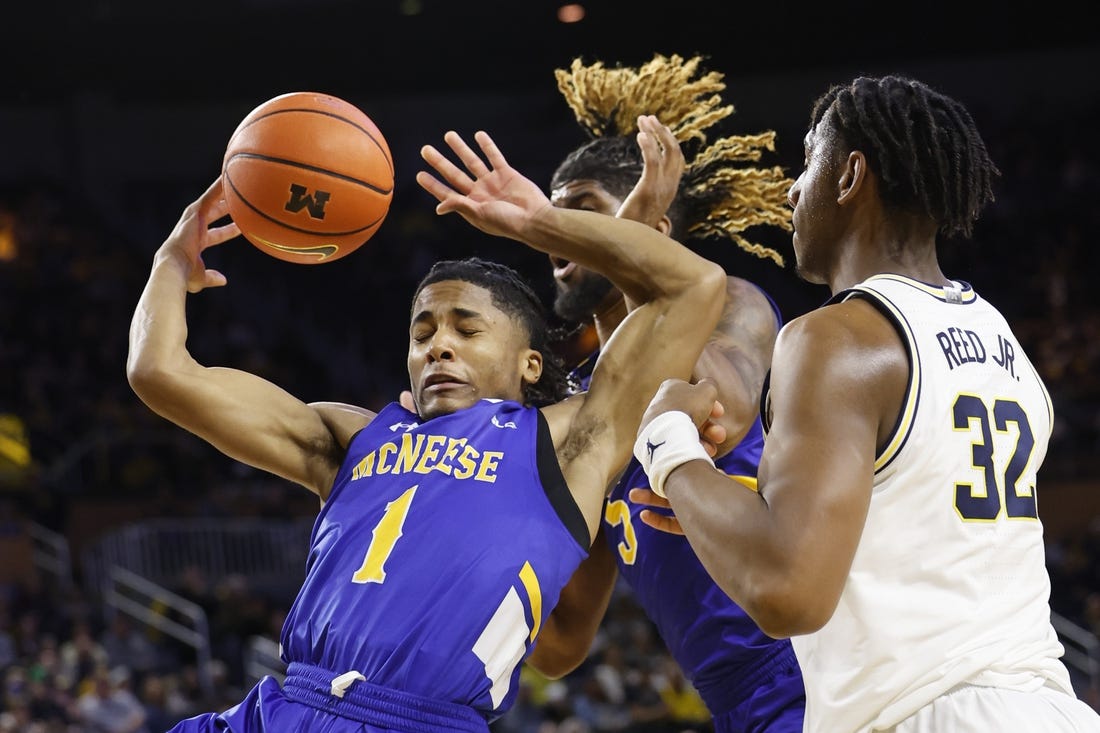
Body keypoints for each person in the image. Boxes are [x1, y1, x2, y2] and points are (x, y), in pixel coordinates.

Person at [125, 123, 726, 731]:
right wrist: (170, 262)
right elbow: (161, 373)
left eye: (467, 331)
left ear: (530, 365)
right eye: (422, 334)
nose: (438, 347)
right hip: (282, 708)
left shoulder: (568, 442)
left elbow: (694, 287)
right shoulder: (351, 440)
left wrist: (532, 223)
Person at [628, 74, 1100, 732]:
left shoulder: (836, 336)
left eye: (806, 162)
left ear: (850, 175)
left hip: (929, 712)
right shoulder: (1001, 339)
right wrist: (720, 502)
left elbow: (786, 591)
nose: (792, 188)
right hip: (1047, 706)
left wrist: (667, 446)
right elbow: (900, 513)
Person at [525, 53, 806, 732]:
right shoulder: (583, 417)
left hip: (816, 666)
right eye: (554, 218)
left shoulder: (732, 303)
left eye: (586, 214)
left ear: (655, 232)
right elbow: (562, 644)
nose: (562, 235)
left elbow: (720, 410)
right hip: (737, 705)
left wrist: (636, 264)